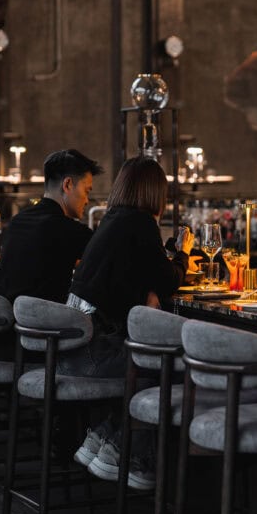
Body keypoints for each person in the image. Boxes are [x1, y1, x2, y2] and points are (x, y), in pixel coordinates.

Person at [64, 157, 194, 488]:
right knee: (165, 364)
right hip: (93, 353)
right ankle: (133, 456)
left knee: (151, 358)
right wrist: (183, 254)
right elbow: (167, 280)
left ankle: (104, 438)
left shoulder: (113, 220)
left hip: (73, 349)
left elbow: (140, 275)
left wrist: (151, 287)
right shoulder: (140, 223)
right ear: (156, 192)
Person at [0, 148, 102, 360]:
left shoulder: (18, 221)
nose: (87, 200)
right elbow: (110, 257)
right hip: (36, 343)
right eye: (87, 191)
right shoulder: (67, 230)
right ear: (67, 185)